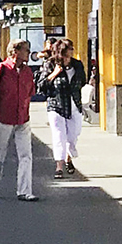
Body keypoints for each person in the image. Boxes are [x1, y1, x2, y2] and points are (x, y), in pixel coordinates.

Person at [0, 40, 39, 201]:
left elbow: (30, 93)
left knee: (26, 155)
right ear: (15, 52)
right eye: (26, 50)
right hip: (3, 118)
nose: (29, 53)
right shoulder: (0, 69)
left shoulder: (27, 72)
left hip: (23, 119)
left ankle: (25, 190)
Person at [40, 38, 86, 179]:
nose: (69, 56)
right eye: (66, 53)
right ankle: (59, 166)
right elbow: (41, 85)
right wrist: (54, 74)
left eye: (70, 52)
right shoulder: (50, 64)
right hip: (56, 104)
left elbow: (82, 80)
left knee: (73, 135)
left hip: (74, 105)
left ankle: (68, 156)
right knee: (59, 135)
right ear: (59, 53)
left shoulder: (77, 65)